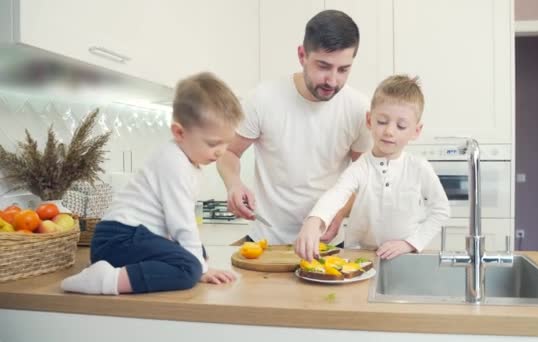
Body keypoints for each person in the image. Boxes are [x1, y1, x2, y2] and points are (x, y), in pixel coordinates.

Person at [61, 72, 241, 295]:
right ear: (179, 132)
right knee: (188, 268)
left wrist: (200, 262)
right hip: (118, 239)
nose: (221, 151)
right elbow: (181, 223)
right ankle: (104, 280)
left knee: (195, 254)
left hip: (128, 238)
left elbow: (174, 228)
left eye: (226, 143)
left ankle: (115, 272)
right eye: (214, 143)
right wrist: (199, 269)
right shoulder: (173, 162)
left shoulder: (186, 160)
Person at [217, 10, 372, 246]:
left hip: (327, 242)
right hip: (267, 240)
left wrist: (338, 213)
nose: (332, 80)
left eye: (343, 70)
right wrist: (234, 184)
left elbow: (365, 177)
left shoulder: (359, 109)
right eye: (323, 66)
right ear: (302, 55)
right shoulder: (262, 99)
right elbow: (228, 153)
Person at [295, 75, 450, 261]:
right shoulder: (361, 168)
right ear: (369, 120)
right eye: (382, 122)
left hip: (405, 257)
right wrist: (314, 220)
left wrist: (410, 243)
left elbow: (441, 210)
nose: (389, 131)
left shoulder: (419, 168)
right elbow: (337, 194)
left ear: (416, 131)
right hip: (359, 256)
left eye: (401, 126)